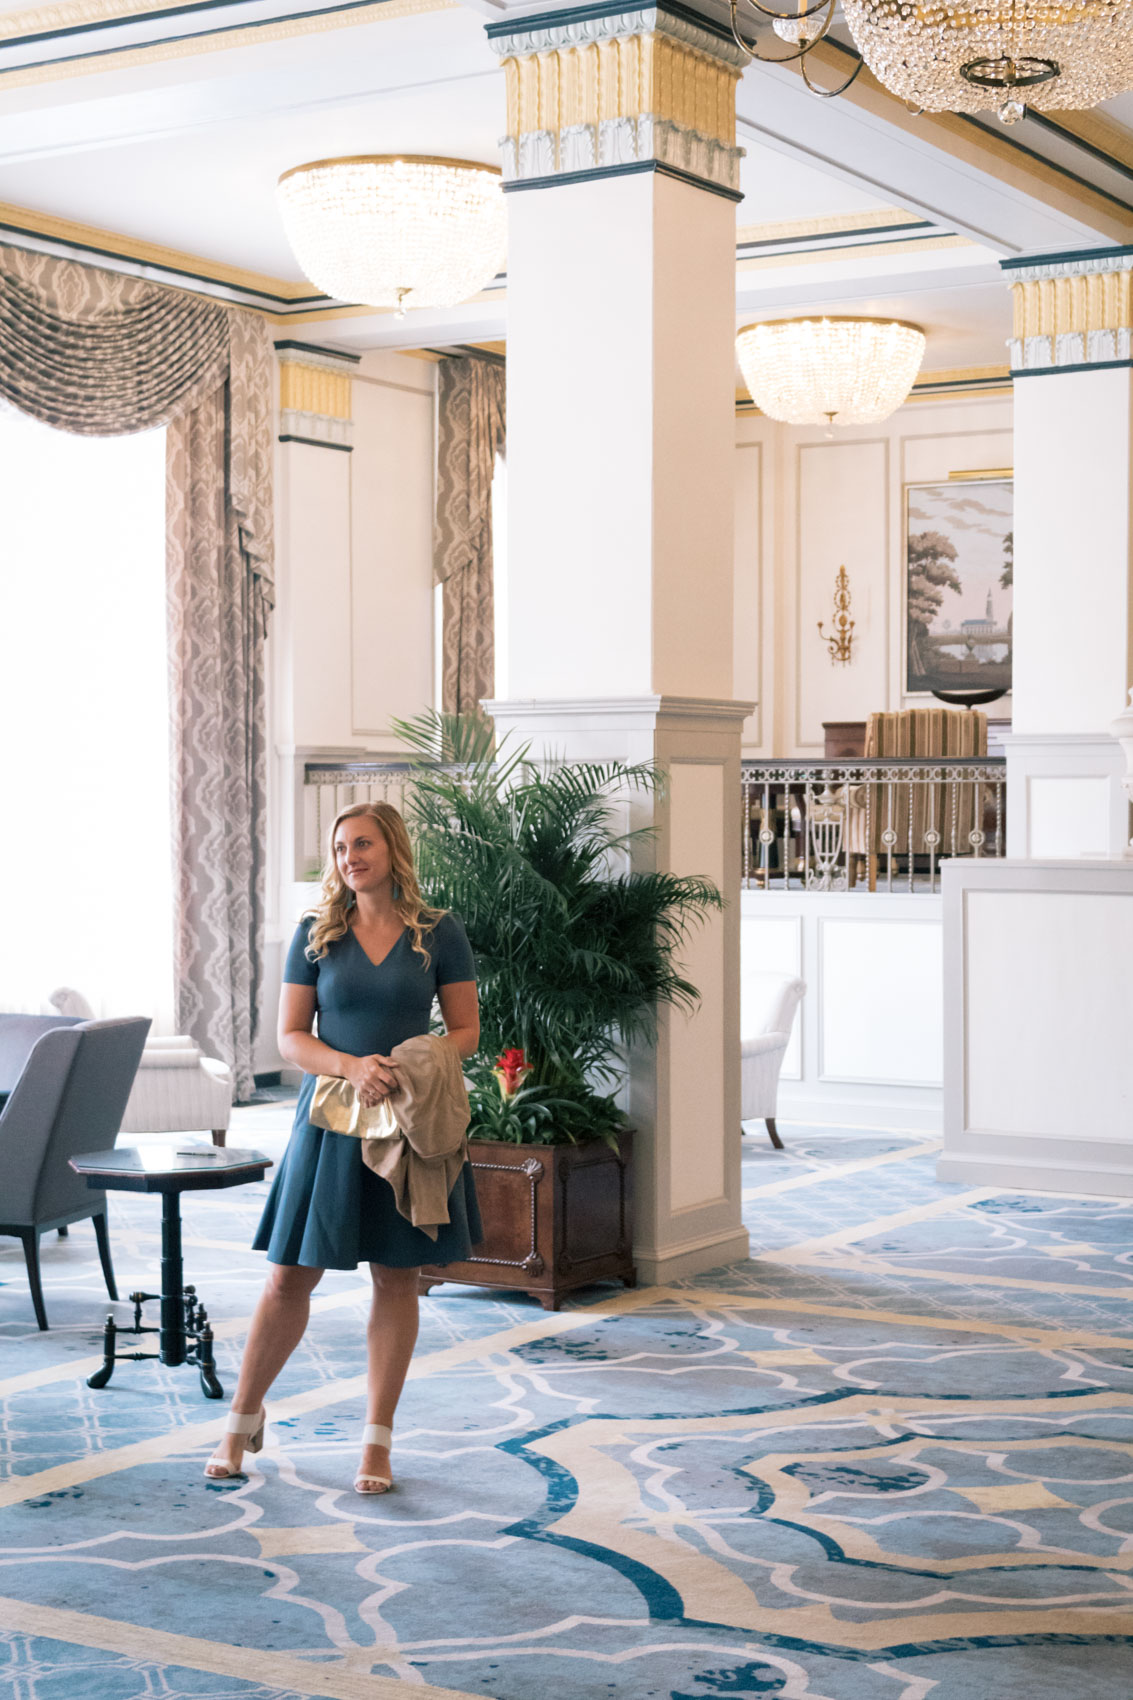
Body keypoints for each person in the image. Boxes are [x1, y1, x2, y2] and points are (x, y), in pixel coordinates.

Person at [205, 801, 480, 1492]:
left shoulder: (438, 933)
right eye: (338, 848)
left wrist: (410, 1065)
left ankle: (375, 1444)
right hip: (329, 1121)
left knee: (396, 1277)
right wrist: (352, 1066)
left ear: (392, 849)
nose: (348, 857)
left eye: (361, 843)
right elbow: (290, 1038)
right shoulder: (316, 933)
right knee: (289, 1276)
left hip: (408, 1124)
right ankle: (240, 1419)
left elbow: (465, 1031)